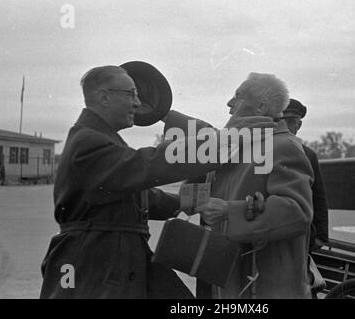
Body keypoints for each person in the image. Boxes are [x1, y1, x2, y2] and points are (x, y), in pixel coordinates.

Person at [39, 65, 244, 299]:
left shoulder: (103, 140)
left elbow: (139, 195)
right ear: (104, 97)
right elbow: (147, 165)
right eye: (132, 94)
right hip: (95, 261)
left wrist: (191, 202)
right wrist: (215, 145)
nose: (138, 104)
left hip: (116, 254)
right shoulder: (88, 142)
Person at [167, 73, 314, 298]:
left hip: (262, 284)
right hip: (232, 278)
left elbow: (297, 211)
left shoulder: (283, 146)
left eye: (238, 96)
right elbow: (208, 189)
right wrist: (190, 200)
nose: (229, 103)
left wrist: (229, 210)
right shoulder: (236, 145)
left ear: (260, 108)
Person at [282, 99, 329, 251]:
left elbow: (318, 195)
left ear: (299, 125)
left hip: (301, 232)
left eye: (291, 121)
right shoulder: (264, 152)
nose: (286, 127)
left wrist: (321, 236)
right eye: (281, 121)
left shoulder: (309, 155)